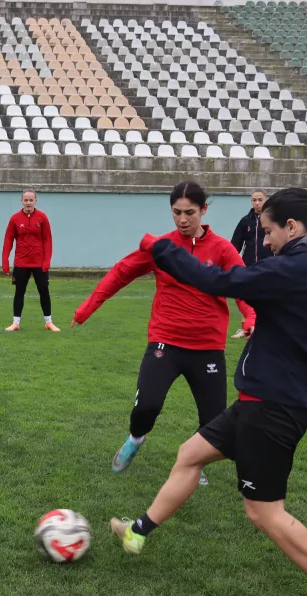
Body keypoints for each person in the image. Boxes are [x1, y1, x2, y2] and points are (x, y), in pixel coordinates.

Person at [111, 188, 307, 596]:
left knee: (264, 512)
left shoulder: (293, 269)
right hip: (264, 402)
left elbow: (218, 282)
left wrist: (161, 249)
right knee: (190, 454)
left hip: (273, 408)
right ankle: (137, 532)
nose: (265, 241)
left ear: (292, 227)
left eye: (268, 231)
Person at [71, 182, 255, 484]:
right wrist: (86, 308)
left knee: (213, 421)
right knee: (147, 406)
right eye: (176, 212)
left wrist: (250, 316)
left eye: (189, 213)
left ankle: (194, 461)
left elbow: (243, 285)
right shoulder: (162, 247)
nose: (182, 219)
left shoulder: (222, 248)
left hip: (207, 346)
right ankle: (135, 439)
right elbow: (121, 272)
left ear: (204, 210)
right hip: (165, 340)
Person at [2, 190, 59, 332]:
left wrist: (47, 261)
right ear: (22, 201)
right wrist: (5, 261)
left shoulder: (42, 217)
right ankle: (15, 323)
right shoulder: (15, 218)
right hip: (21, 262)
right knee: (19, 292)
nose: (28, 203)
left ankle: (49, 322)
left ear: (35, 201)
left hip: (39, 263)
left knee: (44, 291)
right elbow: (8, 239)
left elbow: (47, 240)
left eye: (31, 200)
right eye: (26, 200)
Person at [230, 188, 269, 338]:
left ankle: (264, 327)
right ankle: (245, 327)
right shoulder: (245, 221)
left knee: (265, 297)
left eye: (260, 200)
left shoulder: (273, 219)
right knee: (246, 296)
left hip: (268, 265)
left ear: (266, 200)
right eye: (254, 200)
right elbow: (235, 244)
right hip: (249, 265)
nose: (257, 203)